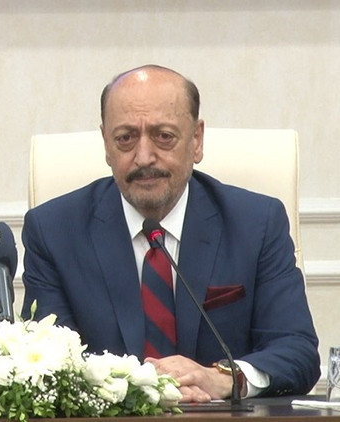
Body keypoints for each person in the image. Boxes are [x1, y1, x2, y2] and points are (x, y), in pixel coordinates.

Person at [20, 65, 320, 402]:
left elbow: (296, 352)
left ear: (196, 140)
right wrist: (136, 391)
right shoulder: (53, 231)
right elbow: (47, 364)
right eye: (125, 138)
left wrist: (223, 378)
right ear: (106, 144)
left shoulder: (256, 223)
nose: (144, 157)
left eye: (164, 136)